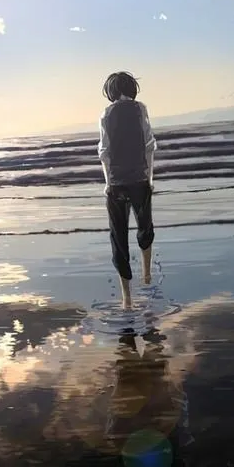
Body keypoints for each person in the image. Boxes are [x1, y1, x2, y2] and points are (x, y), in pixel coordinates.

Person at [97, 72, 158, 309]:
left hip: (116, 183)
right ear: (131, 88)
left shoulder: (106, 114)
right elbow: (149, 146)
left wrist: (108, 183)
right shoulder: (140, 109)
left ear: (111, 91)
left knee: (119, 237)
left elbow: (104, 152)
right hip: (140, 179)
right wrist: (149, 178)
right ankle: (146, 274)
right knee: (145, 227)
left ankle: (127, 298)